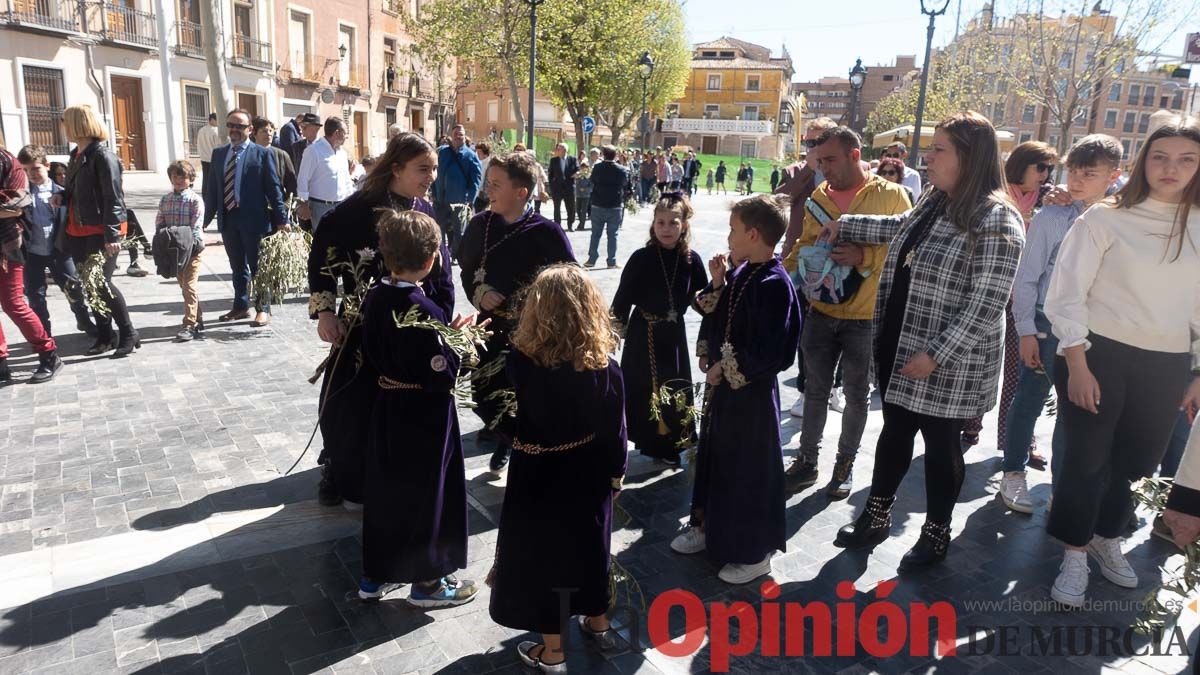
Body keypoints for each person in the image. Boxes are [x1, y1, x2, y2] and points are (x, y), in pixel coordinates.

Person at [829, 112, 1024, 571]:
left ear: (970, 158)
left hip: (948, 364)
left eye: (939, 150)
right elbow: (901, 231)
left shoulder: (997, 219)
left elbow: (986, 305)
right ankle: (874, 518)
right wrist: (848, 225)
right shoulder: (937, 199)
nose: (927, 157)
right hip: (902, 342)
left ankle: (936, 534)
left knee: (941, 448)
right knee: (894, 435)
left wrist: (935, 356)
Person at [1042, 116, 1200, 608]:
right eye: (1160, 156)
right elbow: (1066, 293)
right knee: (1087, 460)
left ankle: (1106, 537)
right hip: (1097, 353)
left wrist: (1197, 370)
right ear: (1142, 162)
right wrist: (1078, 362)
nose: (1171, 168)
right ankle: (1073, 550)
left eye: (1186, 159)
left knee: (1136, 463)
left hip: (1168, 362)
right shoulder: (1105, 218)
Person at [487, 264, 627, 671]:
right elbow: (617, 429)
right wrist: (615, 476)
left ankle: (552, 652)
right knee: (589, 549)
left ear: (535, 310)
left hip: (537, 476)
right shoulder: (605, 367)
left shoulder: (522, 363)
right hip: (588, 475)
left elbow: (503, 412)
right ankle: (598, 622)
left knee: (544, 558)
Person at [308, 132, 454, 507]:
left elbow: (441, 266)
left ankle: (396, 474)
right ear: (396, 166)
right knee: (347, 404)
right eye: (423, 169)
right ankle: (338, 472)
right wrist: (326, 310)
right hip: (362, 325)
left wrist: (441, 321)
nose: (431, 177)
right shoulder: (356, 209)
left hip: (417, 324)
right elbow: (323, 251)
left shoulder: (425, 208)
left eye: (434, 169)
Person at [672, 194, 801, 585]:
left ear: (754, 233)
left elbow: (770, 352)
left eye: (733, 230)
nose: (728, 237)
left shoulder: (776, 284)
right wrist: (717, 283)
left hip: (752, 398)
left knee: (747, 471)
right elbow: (720, 312)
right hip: (727, 393)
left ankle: (753, 551)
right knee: (718, 459)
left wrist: (723, 371)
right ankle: (709, 526)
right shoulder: (745, 271)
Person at [782, 126, 913, 499]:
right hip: (820, 310)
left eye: (830, 160)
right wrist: (779, 274)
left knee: (856, 396)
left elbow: (906, 250)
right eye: (819, 161)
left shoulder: (892, 196)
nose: (823, 169)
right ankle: (807, 461)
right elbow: (804, 244)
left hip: (866, 316)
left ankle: (845, 466)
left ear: (855, 155)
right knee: (815, 390)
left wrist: (864, 257)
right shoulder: (819, 195)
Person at [357, 208, 478, 607]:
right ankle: (427, 584)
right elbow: (440, 374)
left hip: (386, 406)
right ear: (430, 261)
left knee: (387, 493)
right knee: (428, 495)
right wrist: (457, 340)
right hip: (423, 416)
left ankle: (376, 575)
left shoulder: (375, 296)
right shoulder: (422, 310)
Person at [1000, 135, 1122, 513]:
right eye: (1074, 171)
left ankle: (1062, 486)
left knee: (1076, 410)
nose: (1077, 181)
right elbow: (1027, 276)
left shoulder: (1122, 217)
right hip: (1045, 321)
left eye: (1090, 174)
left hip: (1096, 328)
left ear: (1113, 176)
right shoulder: (1054, 215)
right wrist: (1025, 329)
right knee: (1030, 399)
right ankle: (1012, 474)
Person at [459, 151, 576, 472]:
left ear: (521, 192)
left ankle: (516, 445)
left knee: (525, 396)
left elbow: (570, 277)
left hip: (532, 334)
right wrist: (478, 293)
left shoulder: (546, 232)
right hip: (490, 330)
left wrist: (541, 304)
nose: (488, 191)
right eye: (488, 183)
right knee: (484, 395)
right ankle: (508, 437)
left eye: (496, 185)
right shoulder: (479, 225)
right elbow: (467, 270)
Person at [962, 141, 1058, 457]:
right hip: (991, 291)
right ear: (1023, 165)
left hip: (1026, 300)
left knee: (1019, 373)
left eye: (1050, 169)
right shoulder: (994, 194)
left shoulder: (1052, 199)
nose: (1046, 176)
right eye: (1041, 168)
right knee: (978, 363)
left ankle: (1015, 441)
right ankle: (968, 425)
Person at [611, 193, 708, 466]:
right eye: (661, 222)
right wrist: (612, 333)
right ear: (653, 224)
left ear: (684, 225)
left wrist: (719, 287)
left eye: (673, 223)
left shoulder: (691, 261)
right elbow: (622, 299)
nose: (666, 229)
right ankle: (651, 442)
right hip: (644, 336)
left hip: (673, 338)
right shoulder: (641, 258)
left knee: (674, 388)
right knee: (642, 389)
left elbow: (700, 300)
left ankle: (672, 442)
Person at [59, 104, 140, 357]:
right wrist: (61, 198)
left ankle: (128, 332)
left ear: (77, 124)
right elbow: (75, 191)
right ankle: (106, 335)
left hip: (100, 230)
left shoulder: (103, 156)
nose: (61, 126)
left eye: (64, 121)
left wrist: (112, 235)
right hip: (77, 230)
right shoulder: (76, 155)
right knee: (90, 285)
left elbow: (113, 198)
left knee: (100, 283)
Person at [776, 117, 839, 419]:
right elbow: (779, 201)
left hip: (836, 263)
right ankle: (805, 389)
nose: (814, 147)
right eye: (810, 142)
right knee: (805, 329)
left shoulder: (848, 173)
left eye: (820, 141)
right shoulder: (794, 171)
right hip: (800, 261)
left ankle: (834, 386)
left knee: (838, 327)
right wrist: (809, 171)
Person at [204, 108, 288, 328]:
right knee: (237, 267)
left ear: (250, 129)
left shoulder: (262, 154)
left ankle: (263, 309)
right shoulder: (219, 154)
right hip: (229, 219)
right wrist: (202, 221)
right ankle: (240, 306)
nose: (234, 130)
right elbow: (212, 190)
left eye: (240, 126)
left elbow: (274, 189)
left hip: (255, 220)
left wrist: (282, 219)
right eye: (231, 125)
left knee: (258, 266)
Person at [16, 145, 94, 340]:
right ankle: (44, 332)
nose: (31, 174)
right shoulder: (23, 195)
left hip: (59, 250)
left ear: (46, 165)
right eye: (26, 170)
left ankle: (84, 320)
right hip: (32, 253)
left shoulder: (61, 192)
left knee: (73, 287)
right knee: (35, 295)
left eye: (35, 168)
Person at [0, 144, 61, 384]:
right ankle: (2, 363)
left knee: (14, 303)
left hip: (7, 245)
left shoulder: (8, 162)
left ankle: (49, 354)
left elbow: (15, 206)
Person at [155, 160, 206, 342]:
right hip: (173, 251)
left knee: (189, 285)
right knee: (184, 286)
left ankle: (189, 324)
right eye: (174, 176)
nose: (178, 180)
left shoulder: (195, 200)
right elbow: (160, 221)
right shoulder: (165, 199)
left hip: (192, 250)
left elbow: (196, 226)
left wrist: (192, 245)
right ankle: (198, 318)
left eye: (182, 177)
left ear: (190, 179)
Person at [296, 117, 353, 232]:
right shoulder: (313, 151)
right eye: (346, 133)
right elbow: (303, 179)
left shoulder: (342, 153)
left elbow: (346, 180)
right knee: (324, 244)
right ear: (337, 133)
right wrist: (304, 205)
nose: (347, 137)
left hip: (341, 206)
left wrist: (351, 202)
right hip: (320, 207)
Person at [433, 125, 483, 255]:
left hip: (459, 202)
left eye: (460, 134)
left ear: (464, 136)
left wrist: (469, 200)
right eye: (456, 134)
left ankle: (456, 254)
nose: (458, 136)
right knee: (438, 230)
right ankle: (440, 254)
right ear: (451, 135)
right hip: (440, 200)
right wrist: (433, 192)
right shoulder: (441, 152)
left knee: (459, 231)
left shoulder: (471, 156)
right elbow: (433, 172)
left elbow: (476, 181)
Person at [585, 145, 629, 269]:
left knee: (595, 233)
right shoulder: (622, 170)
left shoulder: (597, 168)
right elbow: (625, 185)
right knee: (613, 234)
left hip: (598, 204)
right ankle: (611, 261)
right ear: (615, 155)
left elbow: (592, 181)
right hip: (614, 205)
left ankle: (592, 259)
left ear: (603, 155)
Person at [252, 117, 297, 203]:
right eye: (264, 131)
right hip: (254, 206)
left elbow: (291, 183)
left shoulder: (282, 155)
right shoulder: (248, 155)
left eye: (270, 131)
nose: (268, 134)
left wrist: (290, 203)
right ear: (254, 133)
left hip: (277, 206)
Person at [547, 143, 579, 231]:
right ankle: (557, 226)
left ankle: (570, 224)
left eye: (559, 149)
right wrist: (552, 186)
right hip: (557, 188)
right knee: (556, 208)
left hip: (569, 188)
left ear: (565, 150)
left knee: (571, 208)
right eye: (557, 149)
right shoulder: (553, 160)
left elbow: (578, 169)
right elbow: (550, 174)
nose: (557, 151)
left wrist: (577, 174)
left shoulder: (572, 159)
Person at [196, 113, 222, 217]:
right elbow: (218, 146)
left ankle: (207, 203)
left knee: (206, 181)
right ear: (211, 120)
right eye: (216, 120)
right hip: (213, 159)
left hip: (204, 158)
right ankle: (214, 205)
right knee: (215, 182)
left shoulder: (201, 130)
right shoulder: (215, 131)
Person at [473, 142, 492, 213]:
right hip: (477, 194)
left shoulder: (490, 164)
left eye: (479, 153)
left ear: (485, 154)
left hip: (483, 196)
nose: (476, 155)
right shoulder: (477, 162)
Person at [574, 160, 592, 230]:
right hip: (578, 194)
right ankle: (581, 222)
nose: (584, 169)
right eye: (582, 167)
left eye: (585, 167)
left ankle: (582, 225)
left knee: (584, 210)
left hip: (586, 195)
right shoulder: (578, 174)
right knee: (578, 210)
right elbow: (575, 182)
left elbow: (591, 186)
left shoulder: (589, 175)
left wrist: (585, 189)